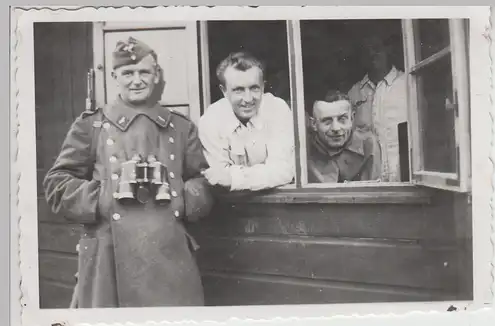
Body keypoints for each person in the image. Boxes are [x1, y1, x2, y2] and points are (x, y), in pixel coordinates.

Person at [43, 37, 213, 308]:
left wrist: (180, 197)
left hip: (169, 257)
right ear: (114, 77)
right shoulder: (91, 126)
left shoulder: (180, 127)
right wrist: (106, 197)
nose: (136, 80)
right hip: (108, 257)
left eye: (144, 72)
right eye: (127, 73)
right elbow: (56, 184)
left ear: (156, 74)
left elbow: (204, 180)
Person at [198, 52, 295, 191]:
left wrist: (233, 178)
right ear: (224, 91)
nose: (248, 99)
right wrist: (264, 174)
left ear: (263, 87)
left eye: (254, 88)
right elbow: (218, 177)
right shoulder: (210, 120)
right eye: (239, 90)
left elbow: (284, 171)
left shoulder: (277, 109)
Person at [347, 34, 408, 182]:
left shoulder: (407, 84)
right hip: (367, 181)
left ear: (388, 50)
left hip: (403, 178)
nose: (372, 54)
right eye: (366, 51)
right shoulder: (354, 92)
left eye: (376, 49)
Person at [308, 90, 381, 183]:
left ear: (352, 118)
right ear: (314, 124)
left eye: (342, 119)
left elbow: (372, 192)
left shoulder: (368, 146)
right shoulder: (304, 150)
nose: (336, 128)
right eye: (327, 121)